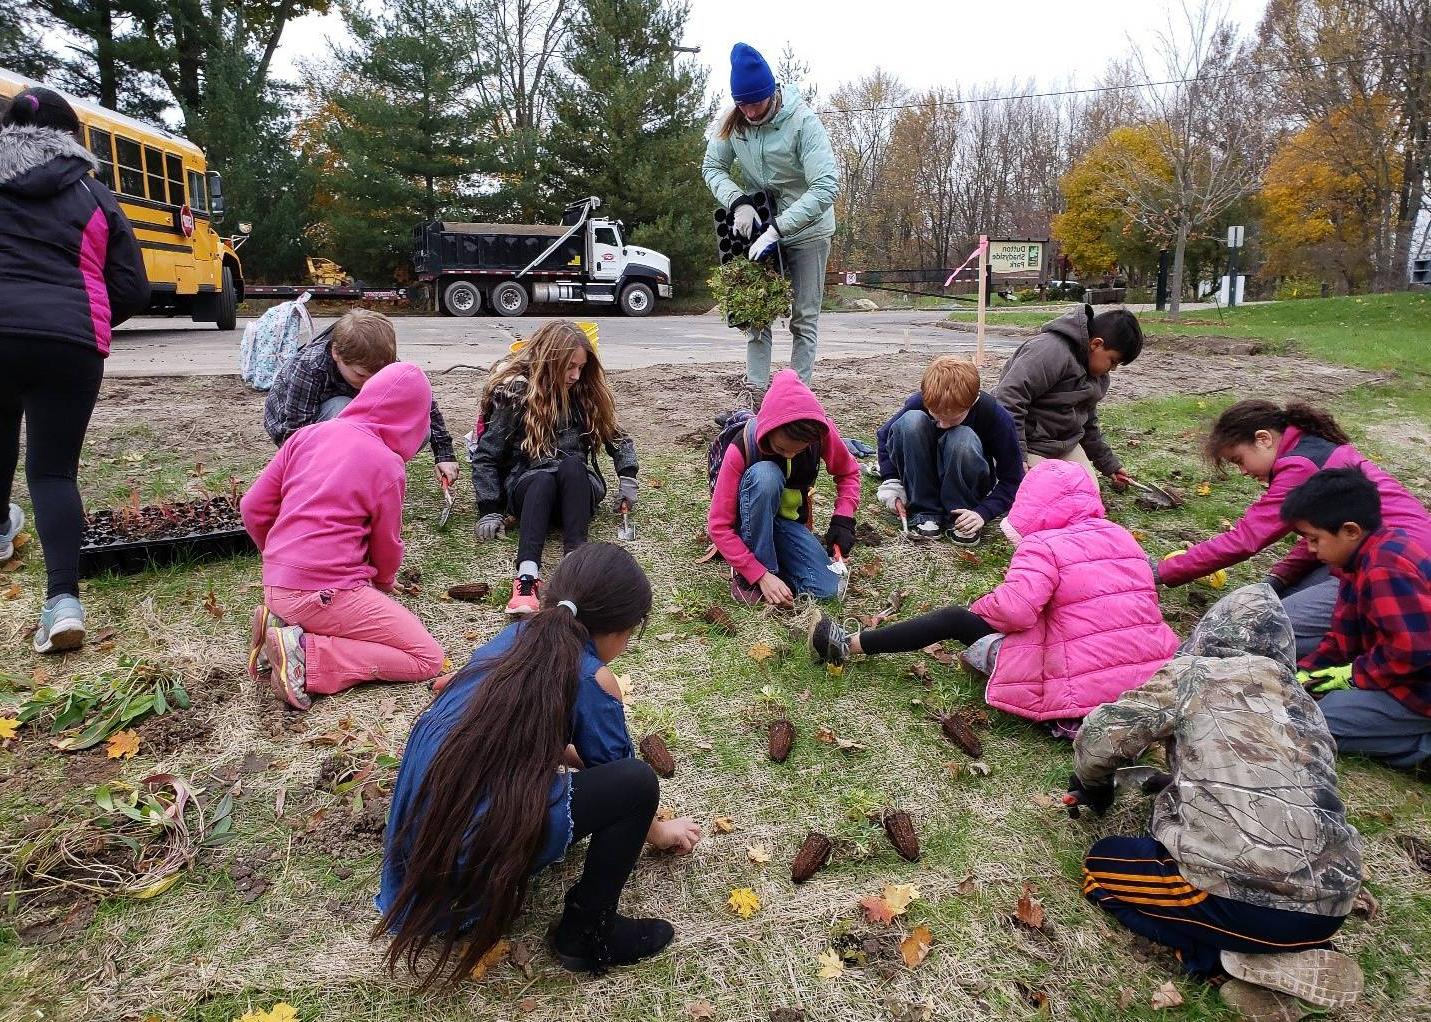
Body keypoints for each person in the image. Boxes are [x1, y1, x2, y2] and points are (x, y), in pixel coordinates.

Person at [377, 544, 703, 986]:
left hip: (416, 850)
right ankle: (587, 933)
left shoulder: (513, 638)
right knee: (638, 782)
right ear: (621, 631)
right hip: (463, 872)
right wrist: (659, 831)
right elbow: (617, 779)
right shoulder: (593, 678)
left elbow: (510, 732)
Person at [1069, 584, 1365, 1021]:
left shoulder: (1194, 674)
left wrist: (1093, 785)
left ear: (1209, 634)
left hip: (1241, 901)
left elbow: (1100, 739)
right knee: (1265, 910)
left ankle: (1220, 963)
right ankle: (1294, 950)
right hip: (1331, 903)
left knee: (1102, 867)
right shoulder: (1304, 704)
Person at [809, 459, 1177, 733]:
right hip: (1150, 678)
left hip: (1077, 688)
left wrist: (980, 610)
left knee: (955, 619)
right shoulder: (1121, 536)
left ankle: (850, 644)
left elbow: (1015, 613)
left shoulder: (1042, 545)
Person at [0, 86, 149, 654]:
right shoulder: (93, 194)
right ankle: (62, 600)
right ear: (72, 138)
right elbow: (131, 285)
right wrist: (89, 312)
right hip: (70, 341)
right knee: (53, 472)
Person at [240, 362, 444, 710]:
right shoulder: (387, 465)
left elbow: (252, 506)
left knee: (321, 607)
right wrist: (382, 581)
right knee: (426, 658)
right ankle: (305, 656)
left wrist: (277, 558)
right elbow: (386, 544)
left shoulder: (308, 435)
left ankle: (283, 621)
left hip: (276, 583)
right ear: (413, 420)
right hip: (325, 591)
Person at [1157, 400, 1431, 658]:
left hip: (1400, 565)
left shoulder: (1299, 466)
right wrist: (1280, 578)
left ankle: (1364, 651)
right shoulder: (1310, 449)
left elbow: (1246, 538)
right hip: (1382, 553)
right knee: (1277, 605)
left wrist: (1163, 571)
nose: (1242, 471)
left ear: (1263, 439)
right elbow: (1321, 533)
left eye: (1239, 460)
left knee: (1268, 630)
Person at [469, 320, 638, 616]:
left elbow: (618, 437)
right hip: (531, 490)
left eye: (581, 367)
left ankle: (574, 570)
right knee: (541, 479)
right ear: (549, 362)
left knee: (573, 465)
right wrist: (489, 508)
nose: (575, 375)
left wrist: (627, 476)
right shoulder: (518, 394)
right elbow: (487, 454)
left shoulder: (586, 393)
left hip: (577, 490)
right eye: (569, 367)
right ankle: (526, 578)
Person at [702, 42, 838, 404]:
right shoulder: (733, 122)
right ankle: (756, 395)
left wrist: (780, 228)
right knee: (755, 310)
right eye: (742, 104)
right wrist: (739, 201)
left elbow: (826, 187)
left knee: (803, 317)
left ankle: (797, 397)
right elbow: (711, 167)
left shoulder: (802, 123)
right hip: (758, 226)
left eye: (755, 103)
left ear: (772, 92)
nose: (749, 110)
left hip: (809, 230)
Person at [1281, 468, 1431, 769]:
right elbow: (1342, 636)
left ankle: (1422, 748)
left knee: (1319, 722)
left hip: (1419, 689)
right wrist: (1308, 673)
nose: (1310, 549)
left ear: (1350, 530)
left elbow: (1413, 651)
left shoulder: (1385, 568)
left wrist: (1353, 676)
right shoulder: (1355, 562)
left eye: (1314, 539)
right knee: (1309, 703)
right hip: (1400, 674)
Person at [709, 368, 860, 607]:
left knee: (825, 590)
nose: (790, 455)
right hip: (748, 522)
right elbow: (718, 527)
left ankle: (776, 557)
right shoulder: (742, 447)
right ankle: (754, 572)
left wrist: (843, 519)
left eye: (799, 451)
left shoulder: (821, 432)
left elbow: (848, 473)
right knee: (766, 475)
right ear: (767, 430)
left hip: (787, 524)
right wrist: (760, 574)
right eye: (781, 449)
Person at [263, 308, 459, 485]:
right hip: (297, 422)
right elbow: (295, 432)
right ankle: (332, 472)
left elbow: (423, 405)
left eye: (378, 376)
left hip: (352, 419)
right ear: (336, 353)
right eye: (361, 375)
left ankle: (372, 470)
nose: (370, 383)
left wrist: (444, 455)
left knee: (419, 428)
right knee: (341, 407)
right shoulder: (310, 367)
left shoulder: (379, 362)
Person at [874, 355, 1024, 544]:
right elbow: (884, 436)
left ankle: (959, 517)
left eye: (953, 418)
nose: (943, 425)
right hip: (921, 478)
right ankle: (925, 511)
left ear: (972, 403)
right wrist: (892, 482)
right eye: (935, 416)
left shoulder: (996, 417)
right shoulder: (920, 402)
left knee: (962, 437)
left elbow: (1013, 480)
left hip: (965, 483)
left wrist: (982, 512)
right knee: (911, 421)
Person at [992, 305, 1143, 488]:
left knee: (1087, 493)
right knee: (1052, 495)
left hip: (1064, 445)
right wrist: (1017, 457)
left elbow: (1088, 423)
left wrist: (1109, 464)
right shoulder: (1050, 351)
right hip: (1028, 444)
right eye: (1113, 361)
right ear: (1096, 344)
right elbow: (1009, 399)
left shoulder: (1097, 377)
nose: (1113, 369)